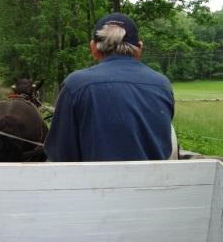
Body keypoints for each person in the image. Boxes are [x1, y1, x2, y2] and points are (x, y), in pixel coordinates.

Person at [44, 12, 174, 161]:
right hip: (152, 183)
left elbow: (61, 154)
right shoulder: (162, 85)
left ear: (93, 47)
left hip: (94, 183)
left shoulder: (75, 85)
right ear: (139, 48)